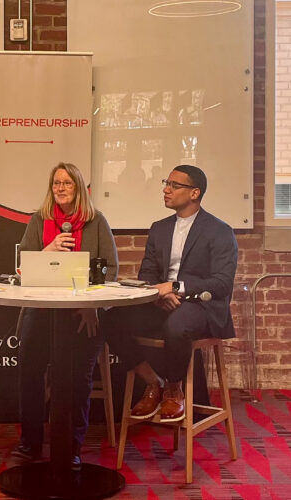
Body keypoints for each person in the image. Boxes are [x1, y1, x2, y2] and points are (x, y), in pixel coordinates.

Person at [103, 165, 237, 422]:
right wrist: (160, 294)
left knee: (177, 326)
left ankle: (175, 389)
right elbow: (148, 275)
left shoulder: (220, 231)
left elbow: (222, 284)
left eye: (175, 185)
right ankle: (154, 383)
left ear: (194, 193)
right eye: (167, 183)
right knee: (111, 319)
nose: (166, 189)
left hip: (201, 306)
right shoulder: (159, 228)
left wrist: (175, 288)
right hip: (162, 301)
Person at [13, 162, 118, 470]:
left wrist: (91, 306)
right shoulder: (39, 220)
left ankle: (71, 444)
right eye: (56, 183)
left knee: (76, 377)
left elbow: (110, 272)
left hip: (82, 312)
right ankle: (30, 442)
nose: (59, 188)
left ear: (79, 189)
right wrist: (50, 250)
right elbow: (23, 267)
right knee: (30, 371)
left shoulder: (96, 222)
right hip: (42, 309)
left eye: (67, 183)